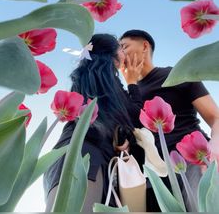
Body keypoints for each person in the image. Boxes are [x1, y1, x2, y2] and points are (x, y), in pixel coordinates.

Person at [43, 33, 145, 212]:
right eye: (121, 48)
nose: (124, 53)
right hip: (86, 156)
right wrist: (132, 82)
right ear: (111, 55)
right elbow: (137, 117)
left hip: (68, 154)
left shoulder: (86, 79)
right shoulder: (107, 80)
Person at [119, 29, 219, 211]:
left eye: (124, 46)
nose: (120, 53)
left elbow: (215, 117)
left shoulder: (176, 75)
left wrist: (214, 147)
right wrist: (131, 84)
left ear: (144, 46)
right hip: (153, 171)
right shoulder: (128, 95)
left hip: (191, 159)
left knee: (199, 206)